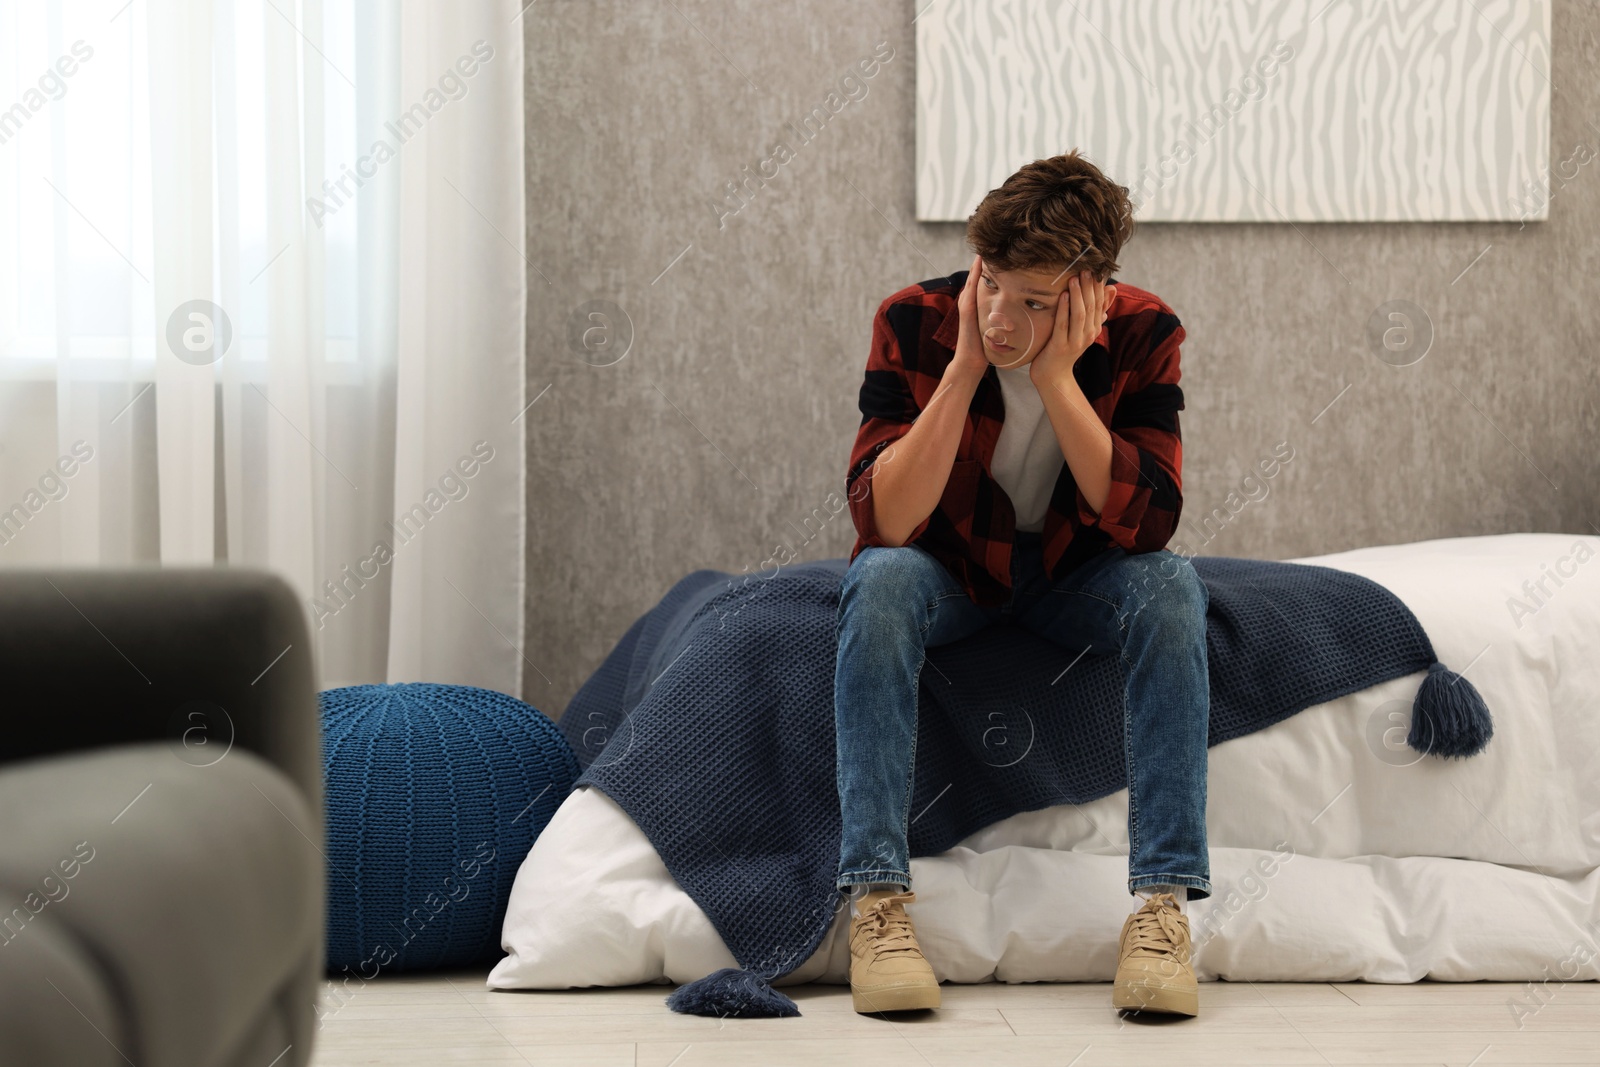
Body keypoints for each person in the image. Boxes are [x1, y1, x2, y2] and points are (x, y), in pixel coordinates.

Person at [836, 150, 1211, 1018]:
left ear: (1095, 293)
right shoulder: (917, 320)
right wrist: (968, 368)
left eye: (1035, 301)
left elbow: (1148, 525)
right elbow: (882, 521)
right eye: (994, 282)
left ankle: (1161, 910)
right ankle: (878, 905)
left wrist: (1054, 374)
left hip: (1075, 577)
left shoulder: (1147, 333)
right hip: (951, 571)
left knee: (1170, 588)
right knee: (882, 579)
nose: (1002, 316)